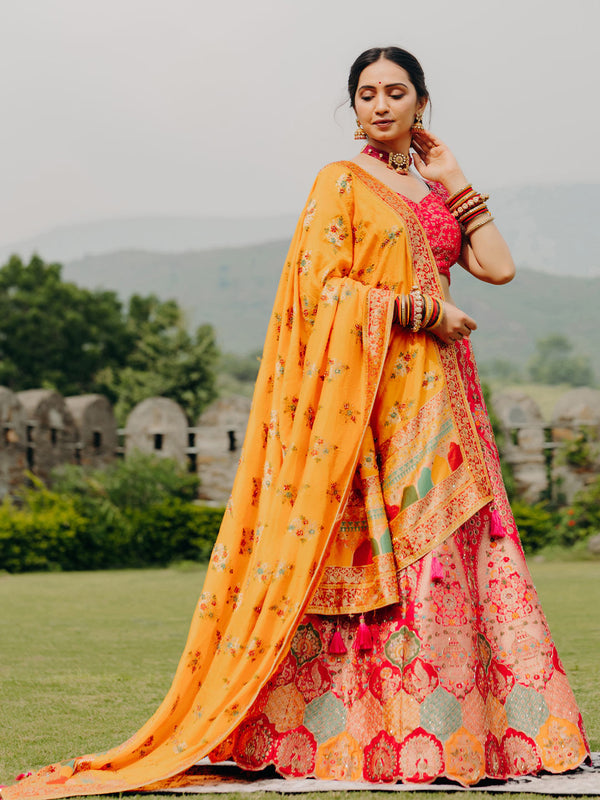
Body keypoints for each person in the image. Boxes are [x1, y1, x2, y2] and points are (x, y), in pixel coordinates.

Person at [3, 46, 589, 797]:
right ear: (353, 109)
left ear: (422, 101)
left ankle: (457, 737)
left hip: (447, 405)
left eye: (395, 92)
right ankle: (368, 739)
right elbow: (321, 291)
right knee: (394, 564)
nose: (380, 105)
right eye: (366, 94)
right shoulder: (339, 184)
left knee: (457, 557)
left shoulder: (433, 190)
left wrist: (457, 181)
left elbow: (499, 269)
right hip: (366, 407)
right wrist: (415, 308)